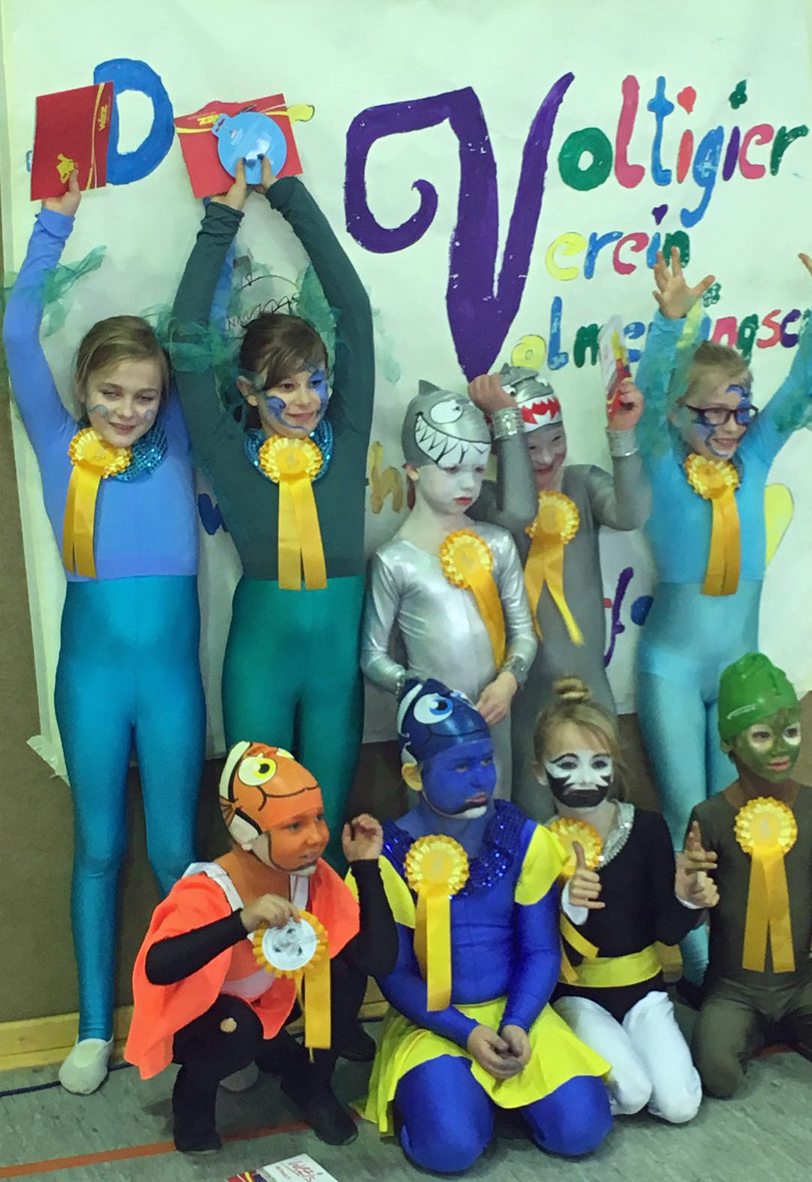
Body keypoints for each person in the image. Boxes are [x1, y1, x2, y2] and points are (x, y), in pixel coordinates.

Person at [2, 171, 205, 1094]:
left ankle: (189, 1021)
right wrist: (53, 223)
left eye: (145, 396)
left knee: (173, 853)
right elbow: (17, 334)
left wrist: (222, 219)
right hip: (89, 681)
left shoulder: (181, 442)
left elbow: (197, 335)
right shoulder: (56, 442)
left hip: (169, 686)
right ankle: (92, 1027)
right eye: (112, 392)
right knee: (97, 848)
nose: (128, 410)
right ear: (82, 387)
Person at [634, 235, 812, 984]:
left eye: (741, 408)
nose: (732, 425)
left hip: (738, 669)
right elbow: (646, 393)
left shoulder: (757, 456)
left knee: (741, 816)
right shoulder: (660, 460)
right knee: (690, 814)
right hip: (673, 671)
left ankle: (747, 961)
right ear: (679, 413)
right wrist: (669, 324)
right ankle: (705, 970)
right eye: (713, 412)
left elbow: (803, 386)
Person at [170, 157, 374, 856]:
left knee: (325, 838)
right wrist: (223, 218)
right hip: (260, 662)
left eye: (314, 380)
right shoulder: (226, 448)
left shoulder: (347, 431)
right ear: (249, 391)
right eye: (284, 387)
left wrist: (286, 192)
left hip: (334, 672)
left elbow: (353, 310)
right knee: (259, 840)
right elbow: (185, 336)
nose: (306, 399)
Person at [359, 678, 612, 1173]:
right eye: (460, 766)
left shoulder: (523, 838)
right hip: (431, 1021)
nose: (480, 778)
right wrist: (466, 1032)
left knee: (583, 1130)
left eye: (485, 761)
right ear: (414, 775)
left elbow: (540, 951)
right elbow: (395, 974)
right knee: (450, 1150)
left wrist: (517, 1021)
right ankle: (449, 1100)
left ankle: (493, 1099)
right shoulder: (386, 855)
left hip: (517, 1009)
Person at [125, 742, 398, 1153]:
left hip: (270, 1003)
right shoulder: (208, 889)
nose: (316, 837)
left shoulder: (314, 876)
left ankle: (312, 1084)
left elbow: (377, 960)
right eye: (294, 826)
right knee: (238, 1031)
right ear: (247, 834)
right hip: (198, 1018)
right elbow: (157, 967)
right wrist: (241, 921)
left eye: (318, 818)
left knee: (341, 970)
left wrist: (365, 866)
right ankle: (194, 1099)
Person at [689, 653, 812, 1098]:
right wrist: (689, 894)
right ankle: (708, 1018)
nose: (780, 748)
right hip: (733, 989)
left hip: (800, 985)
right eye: (762, 735)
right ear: (728, 741)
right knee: (719, 1077)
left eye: (791, 732)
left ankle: (782, 1026)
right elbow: (690, 916)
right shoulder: (710, 816)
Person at [469, 363, 649, 821]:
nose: (547, 457)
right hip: (526, 694)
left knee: (601, 813)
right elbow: (519, 513)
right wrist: (505, 419)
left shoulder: (582, 484)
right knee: (535, 817)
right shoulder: (488, 501)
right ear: (502, 447)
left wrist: (623, 434)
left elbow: (631, 513)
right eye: (529, 447)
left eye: (556, 439)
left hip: (590, 685)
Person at [534, 676, 716, 1123]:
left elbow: (667, 931)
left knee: (679, 1106)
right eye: (567, 763)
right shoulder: (536, 844)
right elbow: (535, 947)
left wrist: (690, 901)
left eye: (599, 763)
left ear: (614, 768)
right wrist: (569, 906)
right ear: (540, 771)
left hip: (644, 991)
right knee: (631, 1094)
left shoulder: (648, 829)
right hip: (576, 996)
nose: (584, 777)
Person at [361, 384, 537, 797]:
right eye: (452, 469)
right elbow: (372, 656)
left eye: (478, 469)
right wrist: (421, 691)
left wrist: (509, 681)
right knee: (433, 825)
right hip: (430, 725)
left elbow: (524, 633)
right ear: (413, 469)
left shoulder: (497, 543)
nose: (469, 484)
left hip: (495, 714)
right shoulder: (395, 560)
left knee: (494, 813)